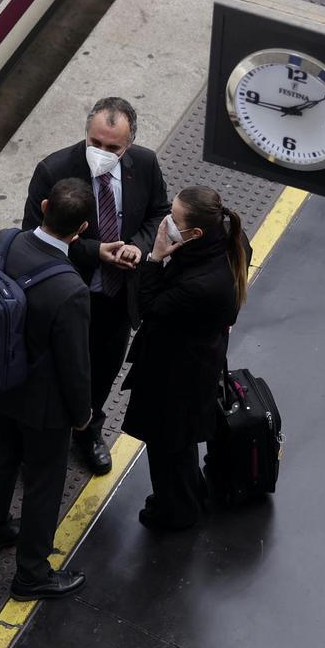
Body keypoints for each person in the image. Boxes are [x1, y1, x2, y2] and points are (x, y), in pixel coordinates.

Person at [22, 97, 170, 476]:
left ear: (130, 144)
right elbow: (34, 237)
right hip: (68, 296)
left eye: (113, 148)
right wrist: (95, 252)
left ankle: (87, 431)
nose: (102, 153)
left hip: (118, 296)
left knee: (103, 369)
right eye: (95, 144)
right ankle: (38, 441)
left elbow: (158, 212)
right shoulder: (54, 170)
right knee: (54, 371)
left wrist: (136, 247)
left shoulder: (147, 165)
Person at [0, 178, 93, 600]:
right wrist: (83, 415)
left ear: (43, 207)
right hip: (43, 406)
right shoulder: (71, 290)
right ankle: (31, 575)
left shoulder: (4, 242)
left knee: (3, 452)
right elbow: (75, 365)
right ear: (81, 230)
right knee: (44, 482)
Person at [121, 186, 251, 530]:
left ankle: (176, 512)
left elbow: (149, 308)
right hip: (199, 362)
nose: (167, 224)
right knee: (178, 442)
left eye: (174, 219)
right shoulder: (231, 241)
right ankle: (189, 493)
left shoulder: (200, 285)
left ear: (195, 232)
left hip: (175, 375)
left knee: (166, 446)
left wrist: (155, 257)